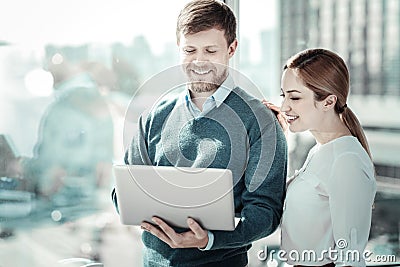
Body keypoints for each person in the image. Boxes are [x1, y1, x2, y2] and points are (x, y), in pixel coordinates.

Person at [112, 0, 287, 266]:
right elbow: (122, 192)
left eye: (210, 50)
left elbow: (266, 211)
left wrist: (209, 240)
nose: (199, 61)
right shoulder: (154, 117)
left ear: (232, 49)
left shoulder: (260, 121)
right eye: (190, 50)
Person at [264, 48, 376, 267]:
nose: (285, 106)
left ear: (328, 102)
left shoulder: (346, 160)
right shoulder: (319, 151)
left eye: (295, 97)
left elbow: (351, 259)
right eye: (283, 95)